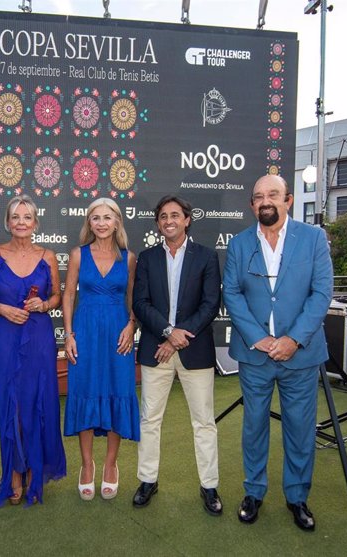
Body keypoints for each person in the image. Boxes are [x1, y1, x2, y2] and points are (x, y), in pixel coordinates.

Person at [223, 174, 333, 531]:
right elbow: (233, 294)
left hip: (300, 356)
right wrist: (259, 338)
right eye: (258, 197)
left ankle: (297, 496)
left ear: (288, 199)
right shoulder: (240, 244)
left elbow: (321, 294)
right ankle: (254, 492)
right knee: (254, 426)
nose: (265, 201)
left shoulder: (314, 239)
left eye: (273, 194)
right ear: (252, 205)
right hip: (255, 355)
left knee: (300, 429)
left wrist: (293, 340)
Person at [131, 195, 222, 515]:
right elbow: (140, 304)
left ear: (187, 219)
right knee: (149, 421)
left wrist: (179, 336)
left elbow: (210, 304)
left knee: (204, 422)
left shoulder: (207, 257)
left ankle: (209, 486)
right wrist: (169, 333)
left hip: (195, 351)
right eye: (163, 216)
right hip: (156, 349)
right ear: (158, 223)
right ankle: (147, 479)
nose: (168, 220)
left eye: (175, 215)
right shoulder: (147, 258)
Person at [0, 194, 67, 508]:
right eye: (15, 217)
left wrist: (43, 304)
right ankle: (14, 475)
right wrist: (4, 309)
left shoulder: (47, 256)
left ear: (35, 222)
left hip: (39, 337)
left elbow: (57, 295)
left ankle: (34, 470)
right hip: (7, 336)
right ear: (7, 221)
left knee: (38, 403)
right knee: (11, 405)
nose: (20, 222)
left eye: (26, 217)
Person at [62, 198, 139, 501]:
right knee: (84, 391)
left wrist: (132, 324)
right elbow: (68, 295)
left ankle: (110, 464)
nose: (102, 223)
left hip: (118, 332)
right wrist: (68, 335)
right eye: (96, 218)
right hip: (86, 331)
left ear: (118, 221)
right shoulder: (78, 255)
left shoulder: (129, 258)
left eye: (108, 217)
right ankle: (86, 464)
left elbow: (133, 297)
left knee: (118, 391)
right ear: (89, 223)